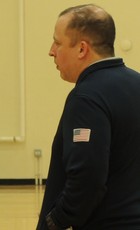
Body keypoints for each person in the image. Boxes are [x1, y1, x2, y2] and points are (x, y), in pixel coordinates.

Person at [37, 4, 140, 230]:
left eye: (58, 42)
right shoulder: (136, 83)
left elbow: (87, 180)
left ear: (82, 49)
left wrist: (55, 221)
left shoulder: (87, 97)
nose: (51, 50)